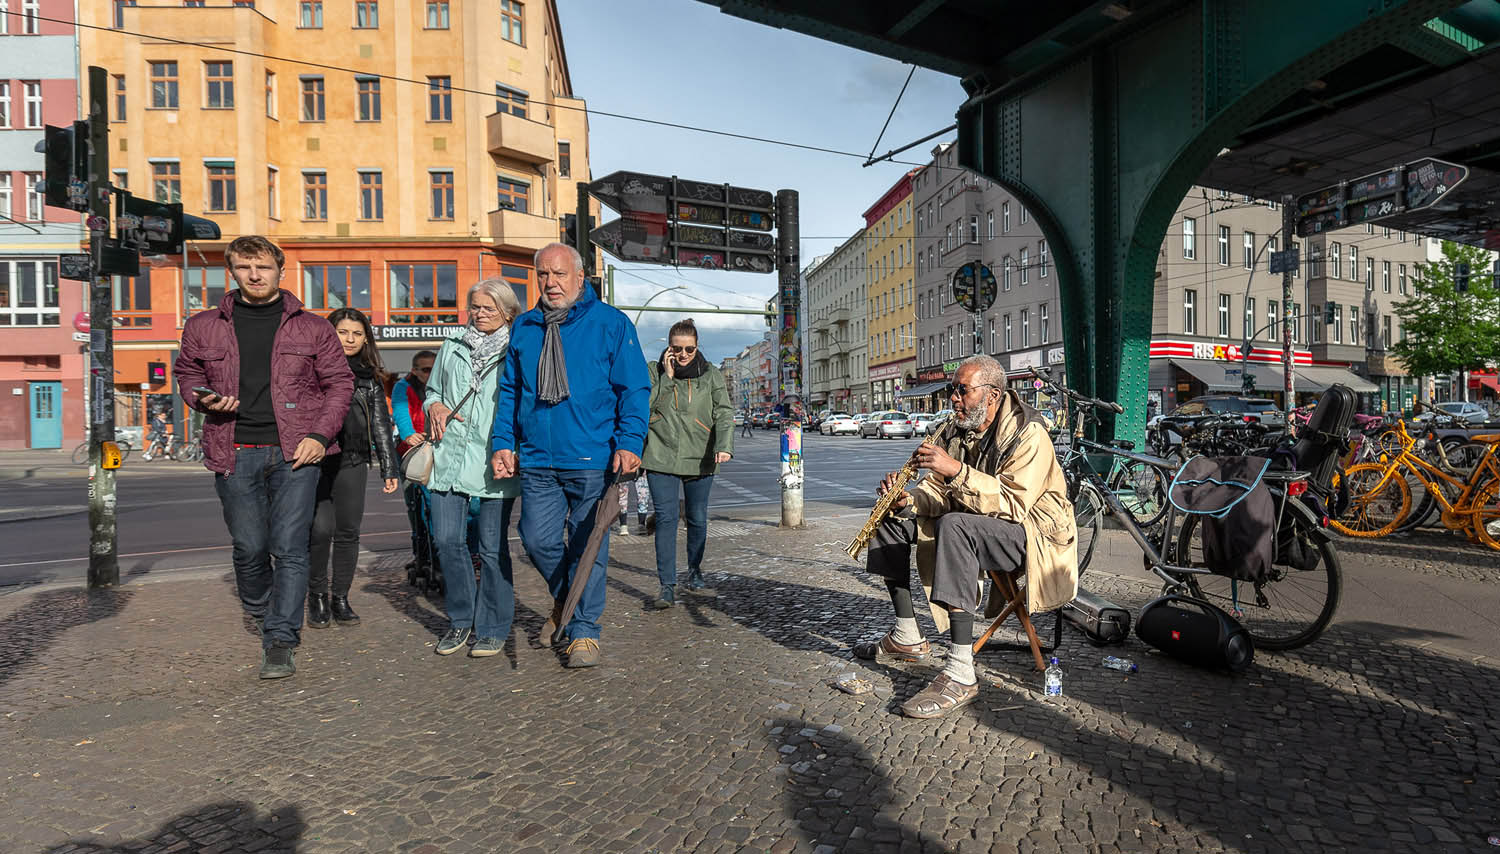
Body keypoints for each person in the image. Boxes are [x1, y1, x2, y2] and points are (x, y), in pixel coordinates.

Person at [854, 355, 1077, 719]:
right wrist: (907, 499)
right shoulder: (956, 429)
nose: (953, 399)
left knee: (955, 525)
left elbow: (1013, 503)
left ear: (991, 395)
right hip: (976, 521)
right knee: (892, 519)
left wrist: (955, 469)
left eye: (962, 390)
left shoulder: (1028, 433)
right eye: (951, 390)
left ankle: (961, 671)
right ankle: (907, 635)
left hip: (1033, 535)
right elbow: (938, 493)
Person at [174, 235, 354, 680]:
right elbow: (188, 372)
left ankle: (280, 639)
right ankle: (260, 607)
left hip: (297, 453)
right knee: (250, 547)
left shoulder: (314, 328)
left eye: (263, 267)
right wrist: (200, 397)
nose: (254, 275)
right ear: (231, 271)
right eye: (243, 267)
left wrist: (319, 434)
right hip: (233, 449)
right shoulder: (203, 326)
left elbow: (340, 384)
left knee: (290, 548)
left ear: (280, 270)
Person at [491, 242, 650, 669]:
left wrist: (630, 443)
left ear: (580, 278)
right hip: (539, 458)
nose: (551, 283)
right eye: (543, 275)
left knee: (589, 545)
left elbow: (633, 389)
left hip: (592, 457)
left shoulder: (611, 324)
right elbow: (510, 391)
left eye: (560, 274)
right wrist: (502, 441)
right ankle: (568, 598)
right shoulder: (525, 327)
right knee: (537, 539)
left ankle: (585, 633)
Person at [426, 279, 523, 658]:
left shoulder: (517, 349)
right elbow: (434, 390)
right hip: (450, 456)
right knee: (448, 541)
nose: (480, 314)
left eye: (489, 308)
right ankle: (461, 620)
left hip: (493, 459)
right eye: (475, 307)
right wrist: (434, 405)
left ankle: (494, 626)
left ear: (507, 311)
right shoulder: (452, 346)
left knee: (492, 547)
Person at [306, 308, 400, 629]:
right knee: (320, 530)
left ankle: (340, 597)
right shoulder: (312, 369)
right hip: (317, 459)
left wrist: (390, 467)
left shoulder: (369, 376)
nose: (349, 339)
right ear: (329, 333)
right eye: (343, 332)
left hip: (354, 458)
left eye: (357, 334)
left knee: (348, 531)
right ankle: (316, 595)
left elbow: (380, 424)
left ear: (365, 339)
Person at [641, 318, 734, 608]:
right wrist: (667, 379)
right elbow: (643, 408)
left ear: (697, 347)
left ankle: (694, 569)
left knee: (696, 517)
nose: (683, 355)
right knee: (667, 519)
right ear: (669, 347)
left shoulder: (711, 375)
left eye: (689, 349)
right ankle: (666, 585)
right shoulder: (653, 372)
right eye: (677, 349)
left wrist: (724, 445)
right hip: (660, 454)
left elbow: (724, 412)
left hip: (700, 454)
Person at [391, 350, 437, 576]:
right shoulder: (403, 387)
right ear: (415, 370)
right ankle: (421, 552)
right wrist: (408, 434)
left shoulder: (443, 383)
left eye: (433, 368)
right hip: (411, 452)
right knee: (414, 502)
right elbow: (400, 411)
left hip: (438, 450)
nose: (430, 373)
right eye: (426, 370)